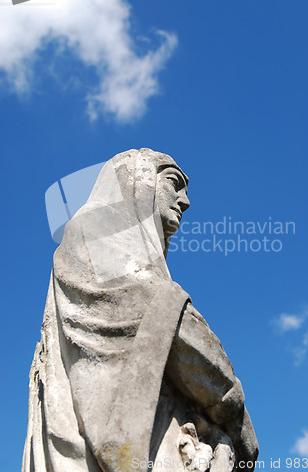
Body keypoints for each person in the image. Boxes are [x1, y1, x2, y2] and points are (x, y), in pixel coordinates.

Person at [22, 148, 258, 472]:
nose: (185, 202)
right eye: (174, 183)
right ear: (139, 182)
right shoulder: (97, 234)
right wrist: (237, 418)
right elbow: (172, 326)